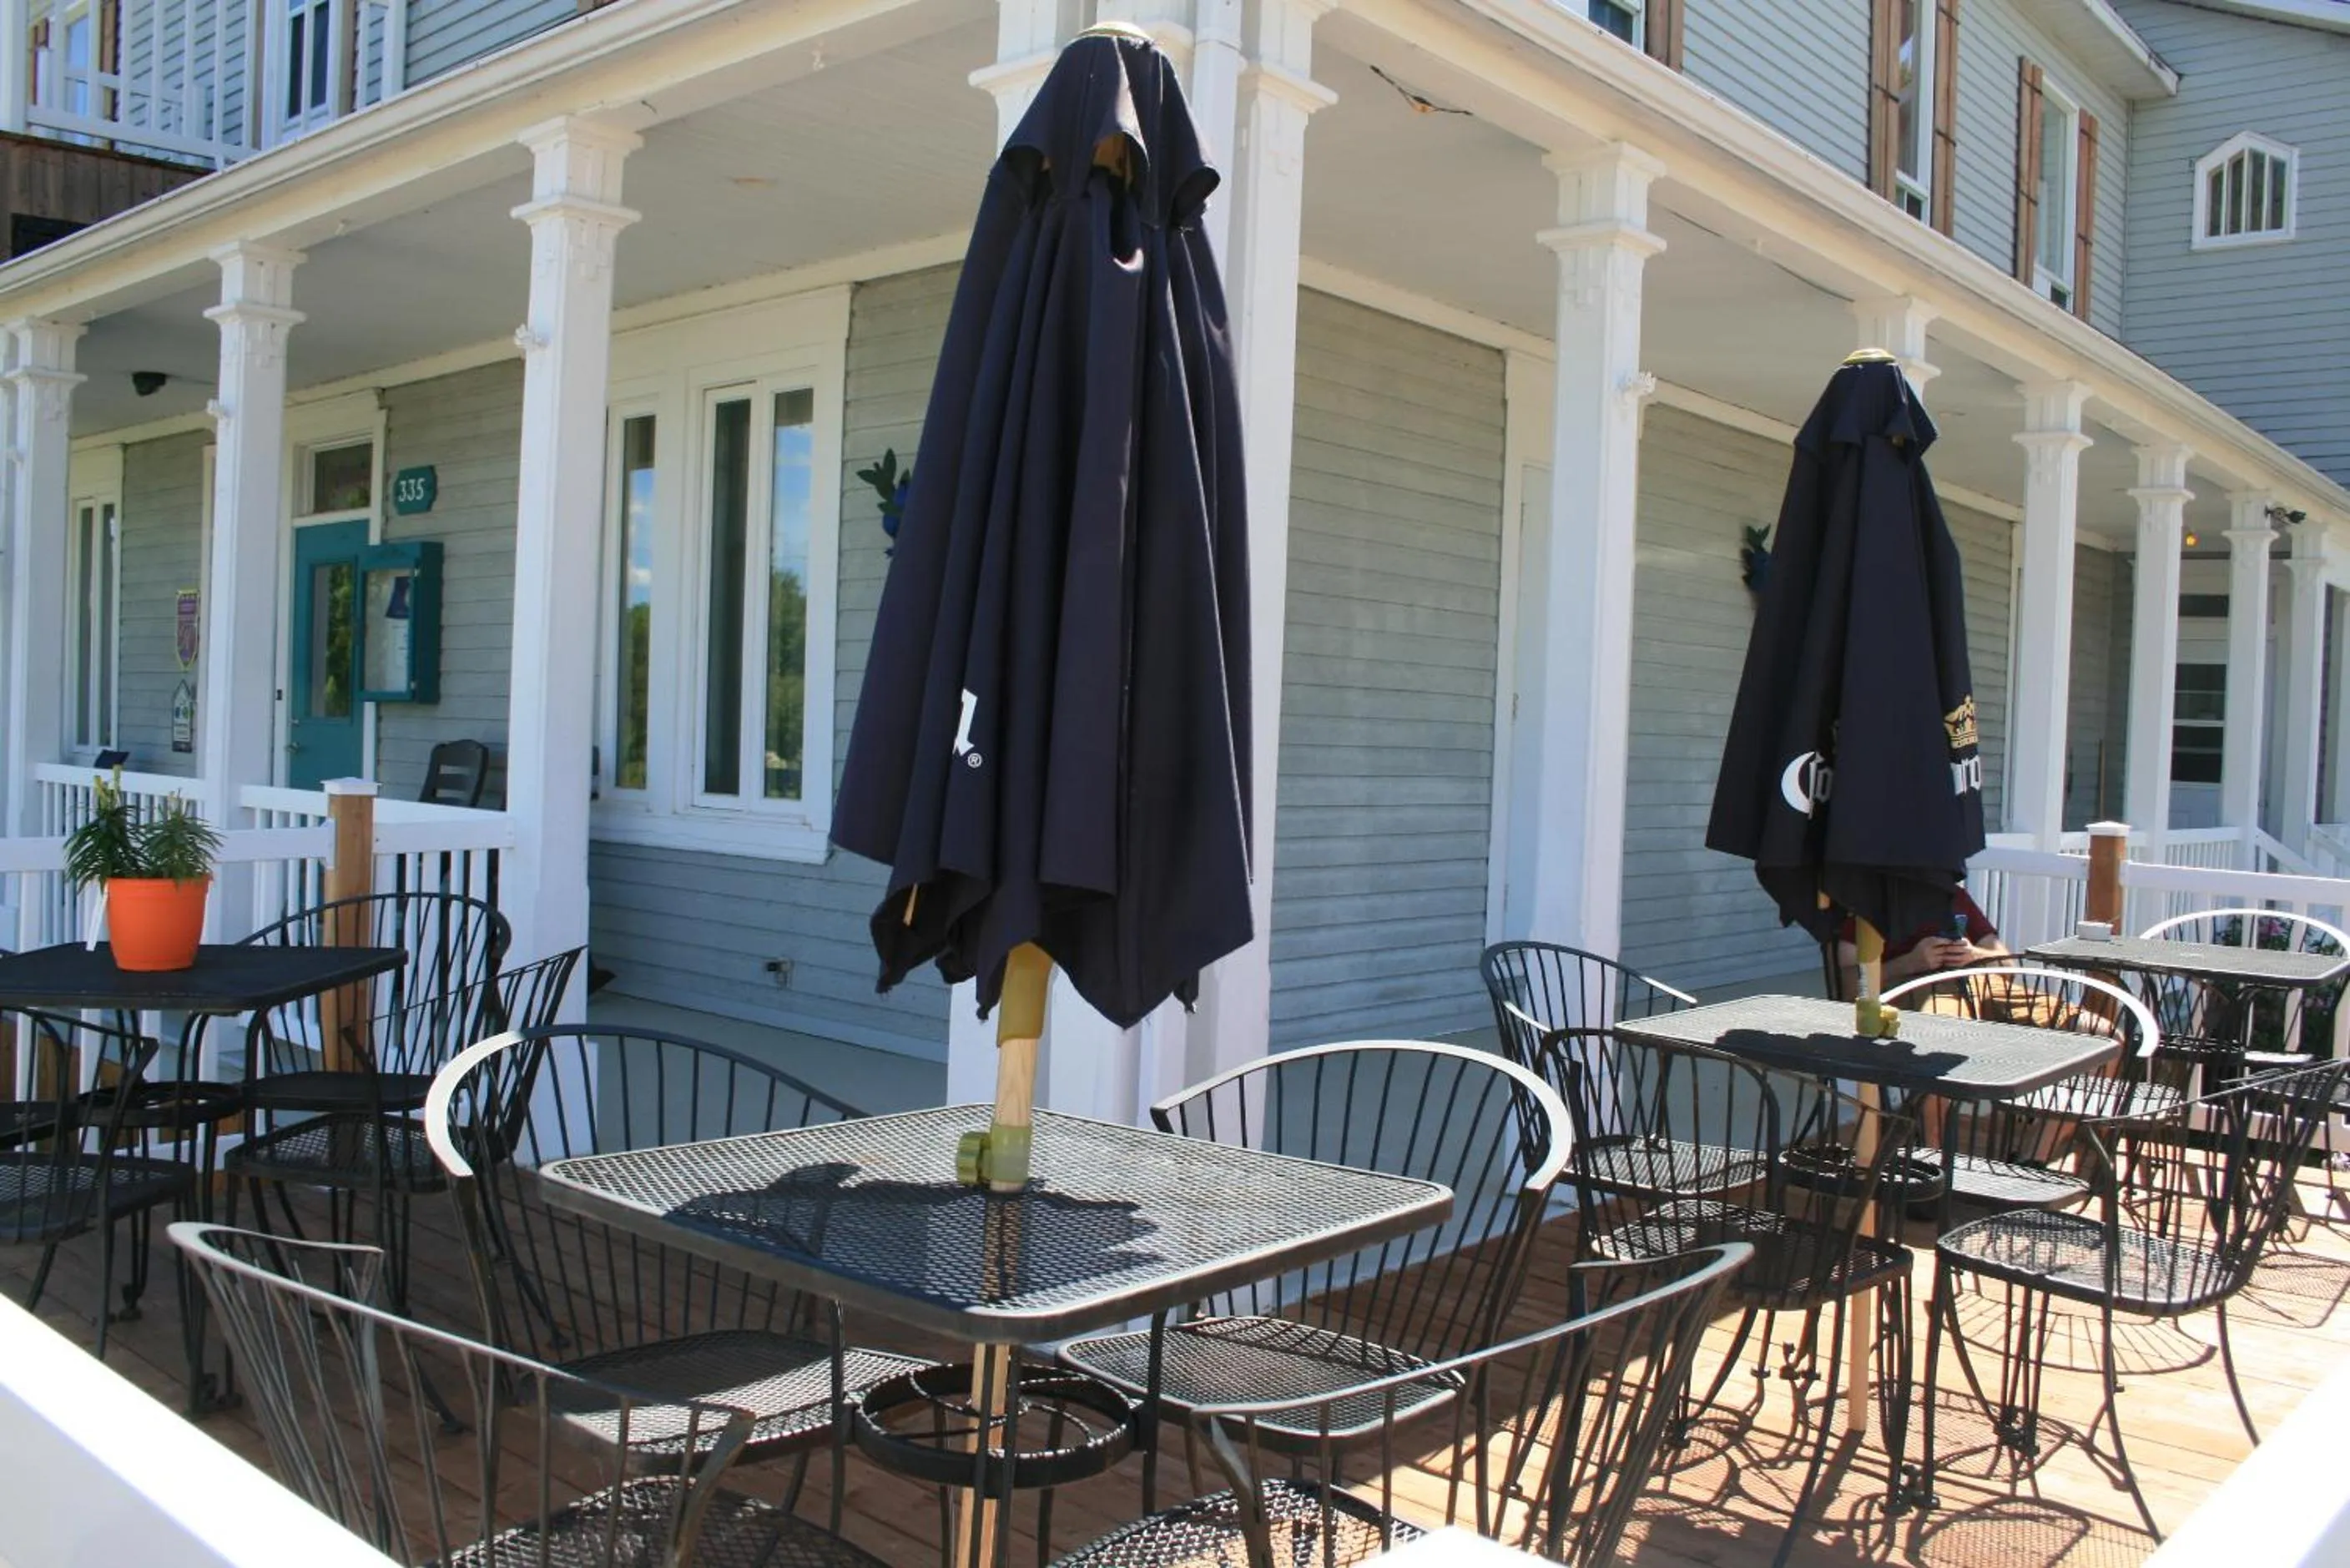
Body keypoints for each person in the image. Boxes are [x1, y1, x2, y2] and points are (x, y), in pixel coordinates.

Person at [1836, 884, 2009, 996]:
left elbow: (2009, 967)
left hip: (1981, 987)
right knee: (1948, 1021)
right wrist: (1909, 963)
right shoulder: (1871, 905)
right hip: (1915, 992)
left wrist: (1973, 956)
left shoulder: (1956, 896)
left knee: (2035, 1010)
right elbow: (1849, 988)